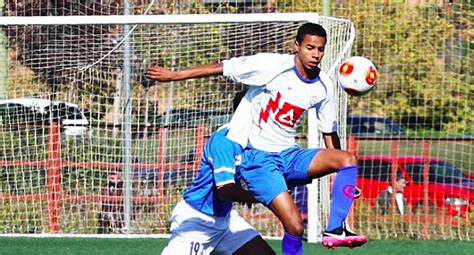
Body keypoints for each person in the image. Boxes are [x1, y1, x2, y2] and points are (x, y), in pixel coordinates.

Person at [147, 22, 367, 253]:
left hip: (286, 157)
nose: (315, 54)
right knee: (294, 225)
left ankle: (336, 228)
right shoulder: (269, 68)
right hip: (242, 179)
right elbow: (224, 67)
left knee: (347, 159)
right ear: (296, 46)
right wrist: (175, 75)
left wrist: (345, 178)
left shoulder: (324, 85)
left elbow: (329, 133)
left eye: (320, 49)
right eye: (310, 47)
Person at [159, 87, 275, 255]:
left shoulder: (257, 140)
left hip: (226, 220)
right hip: (197, 220)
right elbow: (226, 191)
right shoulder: (224, 141)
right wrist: (262, 197)